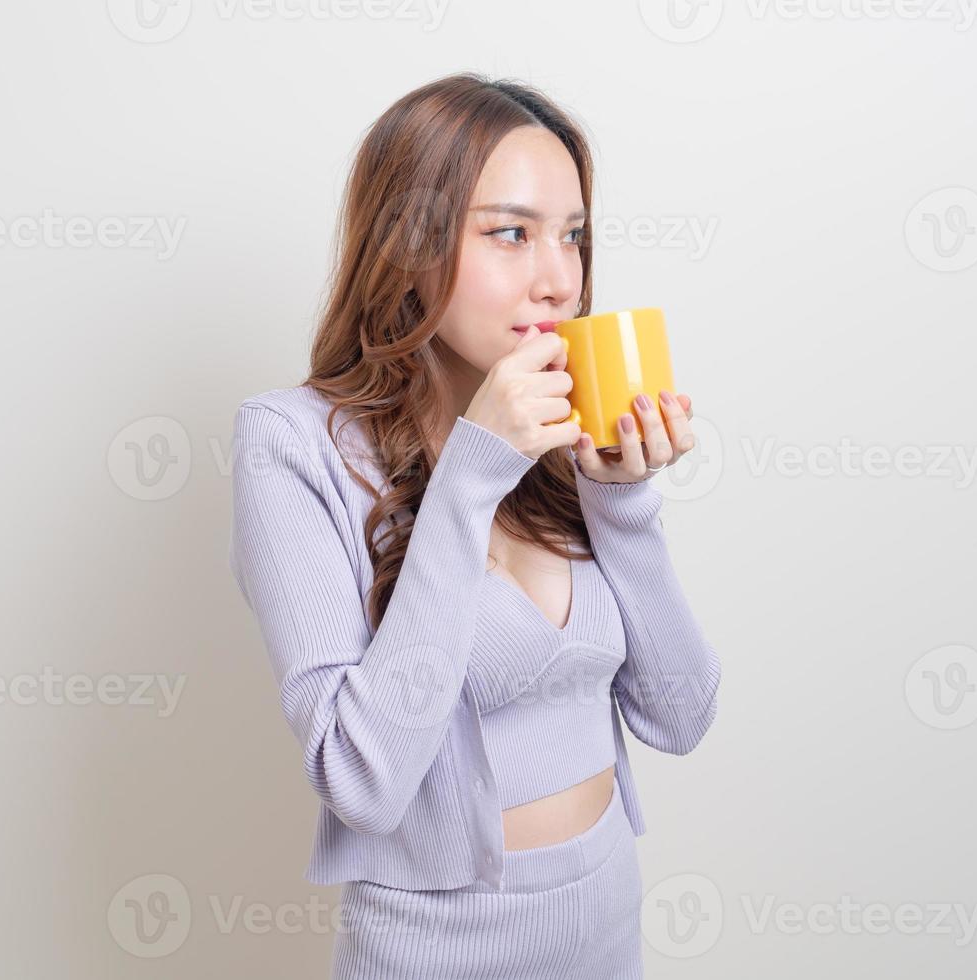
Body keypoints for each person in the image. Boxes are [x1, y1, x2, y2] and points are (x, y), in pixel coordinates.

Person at [229, 71, 721, 979]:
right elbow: (363, 782)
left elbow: (682, 714)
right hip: (438, 950)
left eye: (572, 237)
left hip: (607, 922)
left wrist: (623, 504)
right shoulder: (291, 445)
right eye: (511, 233)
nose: (557, 278)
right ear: (407, 244)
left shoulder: (565, 427)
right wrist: (468, 479)